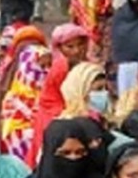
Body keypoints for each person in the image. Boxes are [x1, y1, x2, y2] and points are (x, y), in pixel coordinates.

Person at [28, 23, 91, 166]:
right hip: (55, 114)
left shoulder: (86, 64)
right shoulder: (61, 68)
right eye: (70, 47)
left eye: (80, 44)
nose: (77, 51)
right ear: (60, 48)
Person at [0, 27, 50, 164]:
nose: (46, 71)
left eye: (50, 65)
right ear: (27, 66)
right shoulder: (13, 104)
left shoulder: (55, 92)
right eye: (41, 66)